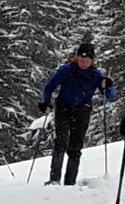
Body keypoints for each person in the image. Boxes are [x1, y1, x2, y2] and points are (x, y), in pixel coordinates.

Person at [39, 42, 116, 186]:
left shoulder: (95, 74)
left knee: (75, 146)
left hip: (82, 110)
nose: (84, 63)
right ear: (77, 58)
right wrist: (46, 102)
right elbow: (49, 86)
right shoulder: (66, 70)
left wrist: (108, 85)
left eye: (87, 60)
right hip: (64, 108)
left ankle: (70, 182)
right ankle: (54, 179)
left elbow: (109, 95)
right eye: (81, 59)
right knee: (61, 141)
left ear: (92, 61)